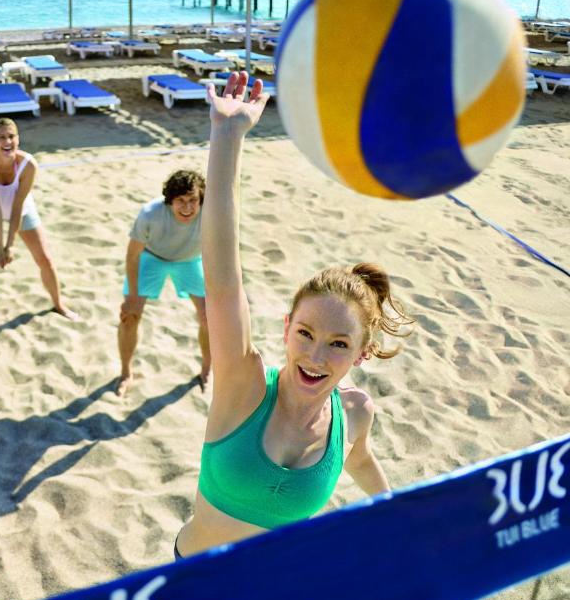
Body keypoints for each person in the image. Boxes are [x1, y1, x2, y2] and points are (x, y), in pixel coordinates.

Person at [174, 73, 414, 559]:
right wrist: (227, 135)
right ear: (287, 328)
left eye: (339, 344)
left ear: (362, 353)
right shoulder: (243, 386)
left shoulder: (355, 413)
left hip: (274, 588)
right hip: (192, 580)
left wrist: (392, 509)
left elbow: (359, 460)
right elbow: (223, 282)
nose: (315, 355)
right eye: (305, 333)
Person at [0, 118, 77, 331]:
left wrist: (10, 245)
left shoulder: (28, 164)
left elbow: (18, 205)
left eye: (11, 136)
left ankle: (59, 305)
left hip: (22, 211)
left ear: (18, 139)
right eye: (1, 137)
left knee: (45, 259)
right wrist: (0, 247)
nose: (7, 141)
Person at [116, 169, 210, 396]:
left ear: (201, 199)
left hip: (189, 260)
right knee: (130, 316)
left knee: (210, 318)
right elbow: (132, 255)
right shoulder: (150, 214)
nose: (187, 208)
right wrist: (132, 297)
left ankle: (207, 370)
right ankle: (126, 372)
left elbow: (220, 255)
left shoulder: (211, 215)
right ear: (170, 201)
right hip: (152, 257)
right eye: (181, 201)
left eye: (193, 200)